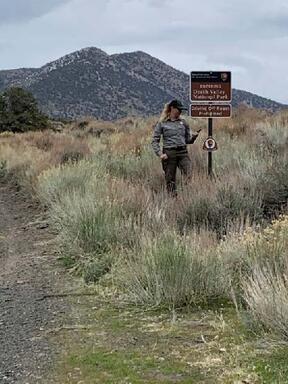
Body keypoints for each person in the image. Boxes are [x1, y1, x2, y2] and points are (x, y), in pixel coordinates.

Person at [151, 99, 200, 196]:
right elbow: (154, 141)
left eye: (181, 109)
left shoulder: (183, 123)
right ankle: (172, 199)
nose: (180, 111)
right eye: (179, 109)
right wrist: (160, 154)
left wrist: (193, 138)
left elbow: (187, 140)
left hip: (183, 152)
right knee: (170, 179)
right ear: (172, 108)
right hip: (169, 153)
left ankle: (187, 196)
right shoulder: (162, 123)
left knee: (188, 174)